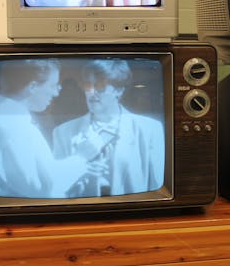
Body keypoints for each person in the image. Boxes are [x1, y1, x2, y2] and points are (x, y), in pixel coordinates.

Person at [0, 59, 96, 198]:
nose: (56, 93)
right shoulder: (12, 126)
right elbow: (42, 188)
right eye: (52, 85)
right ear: (32, 86)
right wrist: (82, 157)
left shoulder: (1, 116)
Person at [53, 59, 165, 197]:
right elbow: (56, 188)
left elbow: (156, 189)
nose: (91, 92)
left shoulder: (150, 130)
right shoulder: (63, 132)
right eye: (88, 85)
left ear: (119, 90)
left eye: (99, 86)